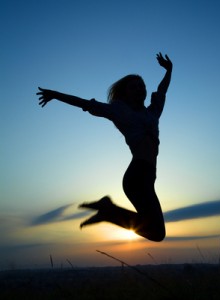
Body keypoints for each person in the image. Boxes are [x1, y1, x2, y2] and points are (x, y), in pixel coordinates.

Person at [37, 52, 173, 242]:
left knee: (156, 232)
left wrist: (169, 70)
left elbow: (162, 90)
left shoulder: (153, 113)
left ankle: (109, 211)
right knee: (156, 232)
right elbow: (84, 103)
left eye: (141, 86)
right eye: (133, 87)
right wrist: (55, 95)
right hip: (137, 176)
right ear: (125, 93)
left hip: (148, 177)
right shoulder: (119, 111)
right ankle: (109, 211)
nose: (139, 89)